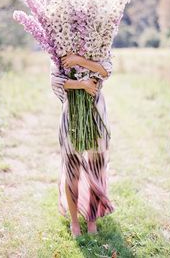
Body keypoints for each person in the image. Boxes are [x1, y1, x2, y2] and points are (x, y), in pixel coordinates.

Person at [50, 51, 115, 238]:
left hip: (96, 113)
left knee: (97, 168)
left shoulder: (98, 43)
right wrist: (82, 85)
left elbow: (105, 71)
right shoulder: (60, 46)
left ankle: (91, 219)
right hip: (71, 115)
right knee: (72, 171)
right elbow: (55, 81)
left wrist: (79, 61)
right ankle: (74, 222)